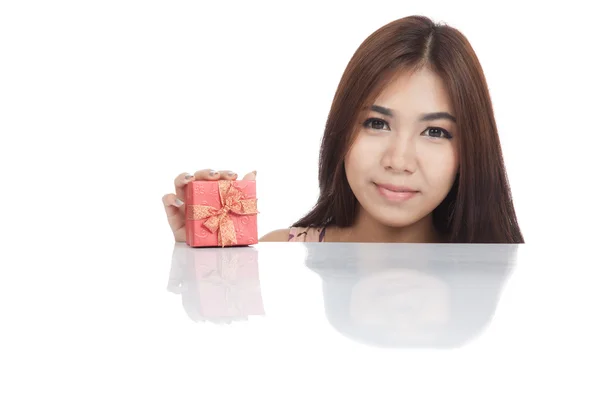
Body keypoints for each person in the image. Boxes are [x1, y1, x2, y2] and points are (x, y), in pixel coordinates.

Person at [162, 15, 524, 244]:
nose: (399, 161)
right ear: (342, 130)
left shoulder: (509, 276)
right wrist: (197, 258)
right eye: (377, 123)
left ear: (471, 151)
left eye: (435, 132)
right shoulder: (281, 256)